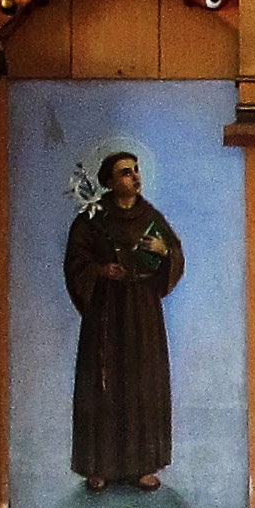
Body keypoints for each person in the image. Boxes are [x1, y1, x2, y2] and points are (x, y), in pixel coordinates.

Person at [62, 150, 181, 490]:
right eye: (126, 172)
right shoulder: (93, 218)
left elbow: (173, 254)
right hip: (107, 313)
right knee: (103, 385)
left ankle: (143, 465)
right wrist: (100, 270)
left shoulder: (150, 215)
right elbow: (75, 261)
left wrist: (164, 252)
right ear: (110, 182)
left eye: (136, 170)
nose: (135, 177)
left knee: (143, 384)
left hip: (143, 312)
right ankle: (99, 465)